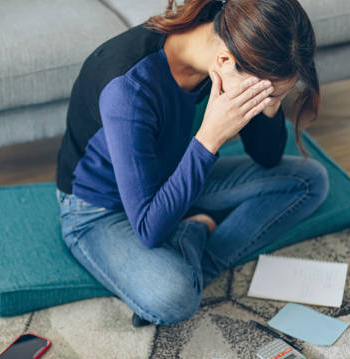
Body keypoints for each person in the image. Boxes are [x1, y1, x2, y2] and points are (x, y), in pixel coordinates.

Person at [56, 0, 329, 327]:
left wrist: (270, 105)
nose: (268, 103)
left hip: (171, 172)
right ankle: (192, 236)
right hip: (98, 210)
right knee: (175, 297)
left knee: (310, 181)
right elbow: (148, 229)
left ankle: (191, 241)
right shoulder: (128, 89)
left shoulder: (233, 43)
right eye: (266, 95)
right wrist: (208, 139)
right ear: (225, 60)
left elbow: (267, 158)